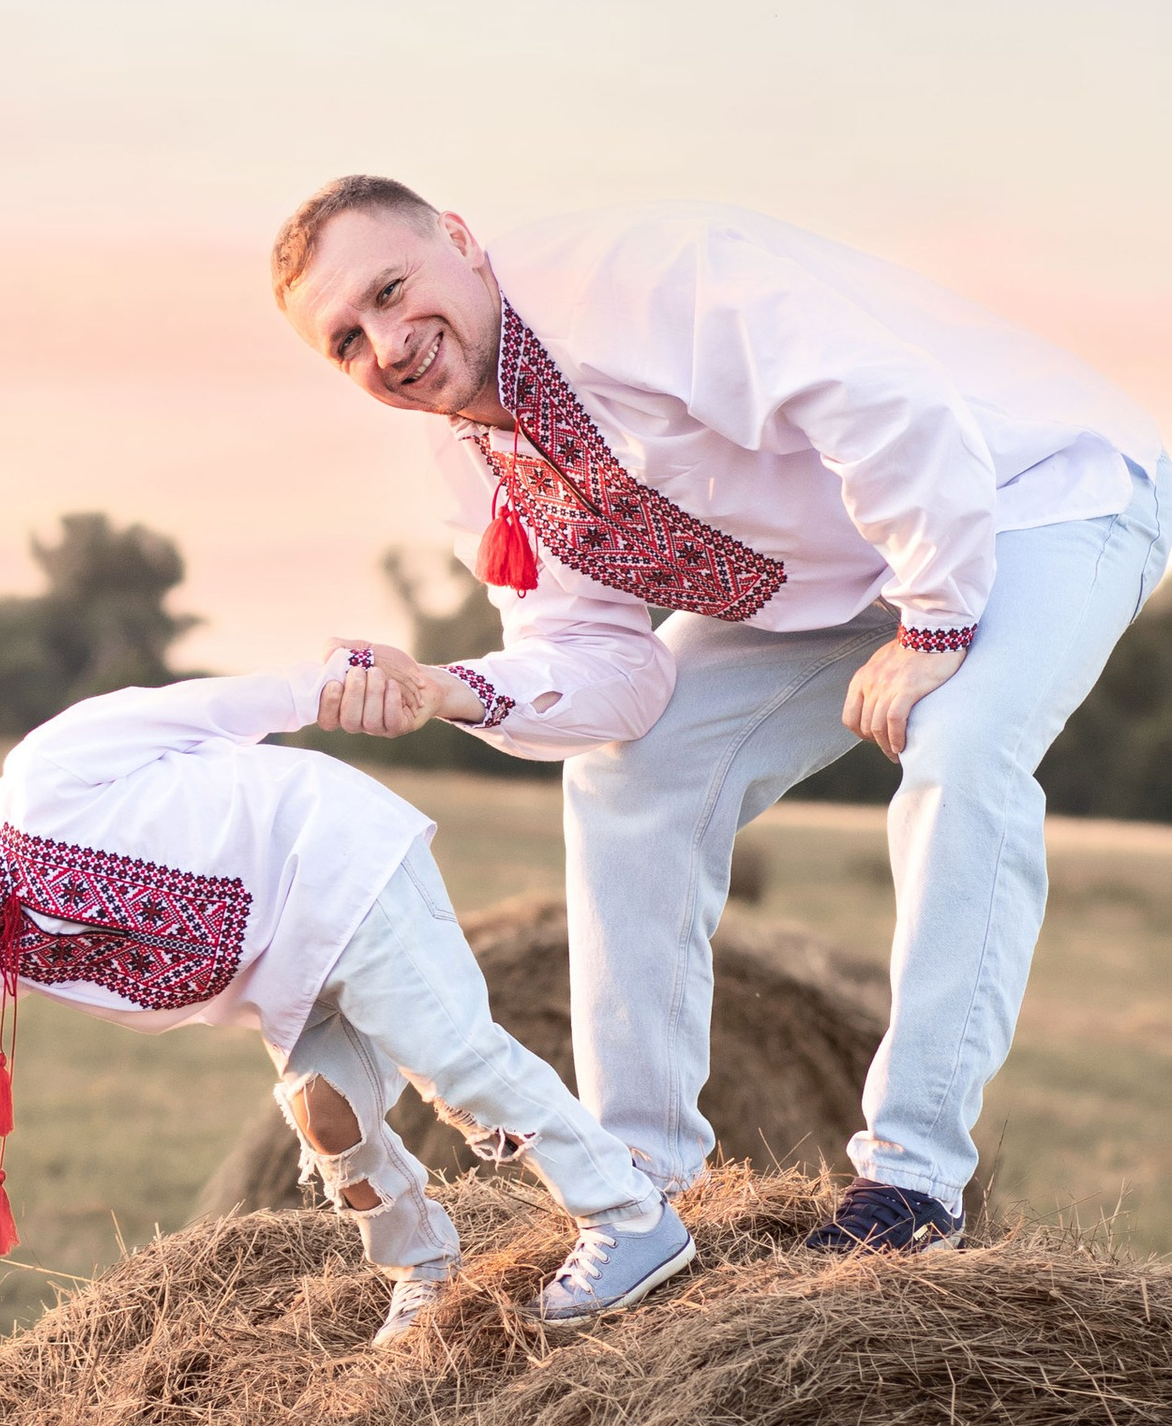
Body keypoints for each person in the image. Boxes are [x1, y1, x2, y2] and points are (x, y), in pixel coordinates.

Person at [271, 179, 1172, 1250]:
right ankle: (641, 1182)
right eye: (346, 341)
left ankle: (914, 1182)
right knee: (629, 769)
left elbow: (887, 408)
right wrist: (441, 687)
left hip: (1031, 496)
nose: (387, 344)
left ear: (458, 241)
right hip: (834, 582)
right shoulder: (464, 458)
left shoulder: (641, 279)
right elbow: (599, 664)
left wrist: (934, 625)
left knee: (962, 748)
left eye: (388, 290)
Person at [0, 663, 696, 1338]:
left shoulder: (47, 774)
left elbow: (203, 708)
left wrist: (332, 685)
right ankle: (423, 1269)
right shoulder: (1, 962)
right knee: (328, 1121)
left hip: (334, 860)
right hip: (289, 972)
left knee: (449, 1054)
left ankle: (627, 1214)